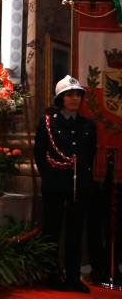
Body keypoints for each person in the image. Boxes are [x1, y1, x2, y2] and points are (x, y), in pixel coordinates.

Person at [34, 75, 97, 293]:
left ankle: (73, 276)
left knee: (75, 232)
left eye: (78, 95)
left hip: (79, 186)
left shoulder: (88, 125)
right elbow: (40, 155)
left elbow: (89, 156)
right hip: (54, 184)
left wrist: (84, 181)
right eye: (69, 95)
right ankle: (52, 274)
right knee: (52, 230)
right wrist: (51, 177)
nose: (74, 99)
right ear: (60, 98)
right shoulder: (48, 123)